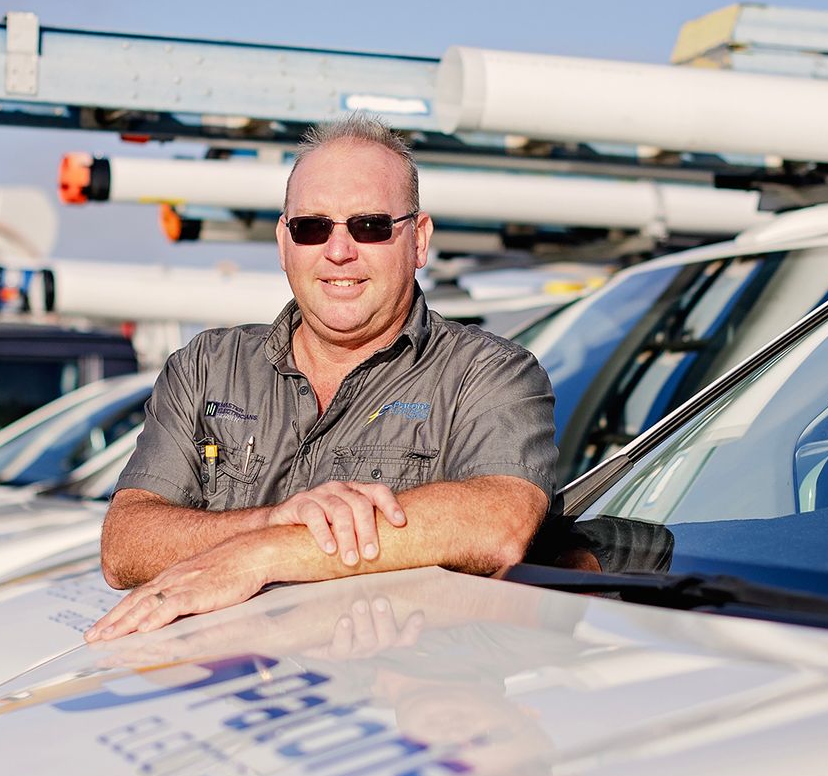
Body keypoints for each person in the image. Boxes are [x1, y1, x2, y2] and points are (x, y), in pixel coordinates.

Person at [86, 115, 558, 641]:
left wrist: (262, 554)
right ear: (284, 242)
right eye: (312, 227)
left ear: (419, 241)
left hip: (383, 708)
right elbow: (124, 546)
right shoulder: (205, 367)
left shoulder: (488, 375)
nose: (339, 251)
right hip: (218, 695)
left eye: (370, 226)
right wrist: (263, 522)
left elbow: (498, 522)